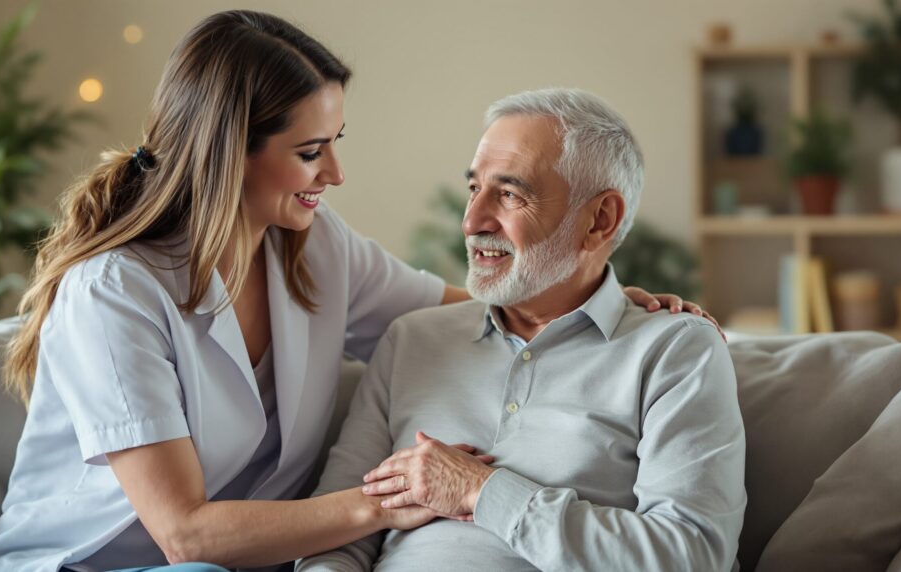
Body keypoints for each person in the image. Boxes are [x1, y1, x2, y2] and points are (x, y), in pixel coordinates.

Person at [0, 11, 712, 572]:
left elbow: (481, 308)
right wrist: (415, 492)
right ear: (230, 154)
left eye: (336, 144)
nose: (334, 175)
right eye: (309, 152)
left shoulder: (315, 249)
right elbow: (184, 533)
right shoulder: (114, 292)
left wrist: (601, 288)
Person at [298, 89, 746, 571]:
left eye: (510, 194)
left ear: (600, 220)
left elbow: (692, 557)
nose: (471, 222)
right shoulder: (411, 340)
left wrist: (481, 490)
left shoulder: (676, 352)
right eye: (474, 189)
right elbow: (333, 536)